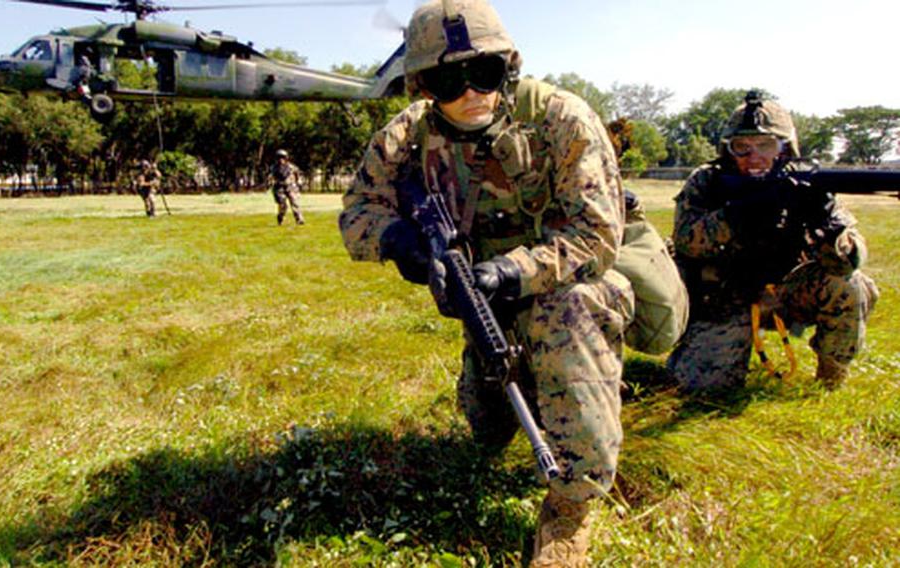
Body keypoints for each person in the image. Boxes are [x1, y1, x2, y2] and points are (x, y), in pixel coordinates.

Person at [339, 1, 637, 564]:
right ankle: (526, 384)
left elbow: (597, 236)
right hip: (483, 297)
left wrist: (511, 271)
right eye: (451, 79)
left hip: (570, 282)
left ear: (510, 66)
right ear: (424, 86)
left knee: (562, 314)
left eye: (487, 72)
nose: (472, 91)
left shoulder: (560, 118)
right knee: (486, 426)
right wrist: (399, 243)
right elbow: (357, 213)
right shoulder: (405, 136)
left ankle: (571, 508)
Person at [667, 92, 879, 392]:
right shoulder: (708, 181)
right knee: (704, 388)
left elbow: (850, 261)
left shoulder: (806, 184)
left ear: (784, 148)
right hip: (725, 296)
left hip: (788, 293)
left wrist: (831, 235)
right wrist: (736, 216)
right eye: (742, 147)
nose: (754, 157)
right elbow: (687, 242)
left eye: (766, 145)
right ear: (728, 150)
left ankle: (831, 378)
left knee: (849, 285)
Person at [269, 149, 304, 226]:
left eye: (282, 157)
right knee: (283, 205)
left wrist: (299, 181)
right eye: (279, 158)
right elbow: (270, 177)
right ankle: (280, 217)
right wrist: (271, 183)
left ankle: (299, 219)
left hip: (290, 187)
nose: (281, 160)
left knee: (295, 203)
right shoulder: (274, 168)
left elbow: (297, 174)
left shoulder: (291, 167)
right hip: (279, 188)